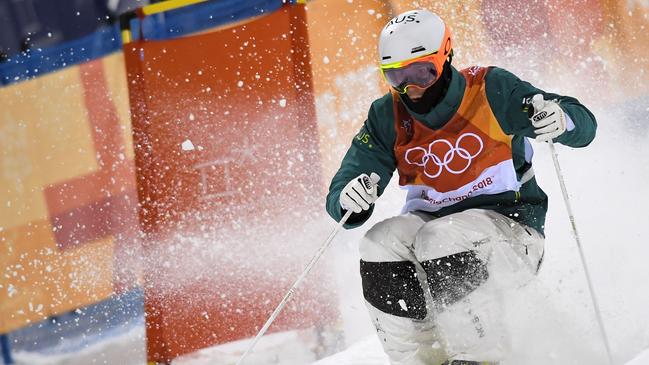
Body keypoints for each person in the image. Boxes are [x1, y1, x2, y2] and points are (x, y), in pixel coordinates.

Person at [325, 9, 596, 365]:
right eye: (396, 77)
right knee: (379, 242)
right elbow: (344, 191)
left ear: (446, 55)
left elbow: (584, 125)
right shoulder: (387, 115)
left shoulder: (490, 90)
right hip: (433, 239)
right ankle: (420, 360)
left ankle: (479, 357)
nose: (412, 89)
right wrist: (350, 196)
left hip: (511, 233)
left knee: (441, 237)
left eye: (422, 72)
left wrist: (563, 120)